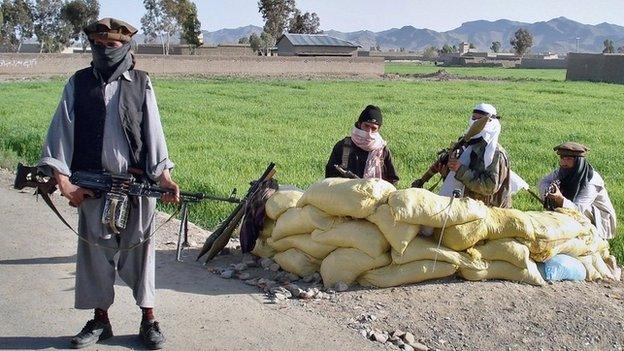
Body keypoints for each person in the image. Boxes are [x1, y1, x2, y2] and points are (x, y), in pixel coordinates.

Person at [37, 18, 177, 349]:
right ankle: (101, 320)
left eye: (112, 46)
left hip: (135, 187)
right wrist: (65, 183)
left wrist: (165, 177)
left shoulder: (141, 83)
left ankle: (149, 319)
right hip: (93, 187)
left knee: (141, 255)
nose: (104, 51)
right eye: (98, 46)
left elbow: (154, 134)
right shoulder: (79, 83)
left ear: (126, 47)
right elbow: (61, 133)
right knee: (95, 256)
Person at [439, 103, 512, 208]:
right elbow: (457, 178)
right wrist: (446, 172)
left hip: (487, 211)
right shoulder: (466, 143)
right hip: (463, 204)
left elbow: (490, 187)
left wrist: (460, 169)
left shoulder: (495, 154)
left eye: (480, 120)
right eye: (473, 118)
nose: (475, 122)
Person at [539, 142, 617, 239]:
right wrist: (550, 191)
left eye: (568, 158)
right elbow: (543, 182)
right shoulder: (563, 171)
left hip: (600, 220)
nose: (563, 162)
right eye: (562, 158)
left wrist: (560, 199)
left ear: (578, 161)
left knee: (584, 209)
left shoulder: (591, 181)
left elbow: (579, 209)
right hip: (573, 208)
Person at [324, 105, 399, 185]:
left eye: (373, 128)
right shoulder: (344, 146)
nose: (369, 131)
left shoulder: (382, 150)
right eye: (366, 126)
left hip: (376, 195)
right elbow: (330, 177)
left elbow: (393, 179)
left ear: (378, 129)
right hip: (346, 194)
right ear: (359, 124)